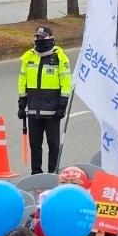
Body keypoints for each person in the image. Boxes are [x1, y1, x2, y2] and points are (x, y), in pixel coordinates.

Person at [18, 25, 72, 175]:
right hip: (33, 109)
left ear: (50, 38)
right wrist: (22, 104)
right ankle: (36, 173)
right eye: (37, 37)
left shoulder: (59, 57)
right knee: (35, 144)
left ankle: (52, 173)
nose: (38, 40)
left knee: (53, 145)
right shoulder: (28, 56)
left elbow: (66, 82)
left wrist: (63, 104)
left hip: (53, 110)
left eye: (42, 37)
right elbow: (22, 80)